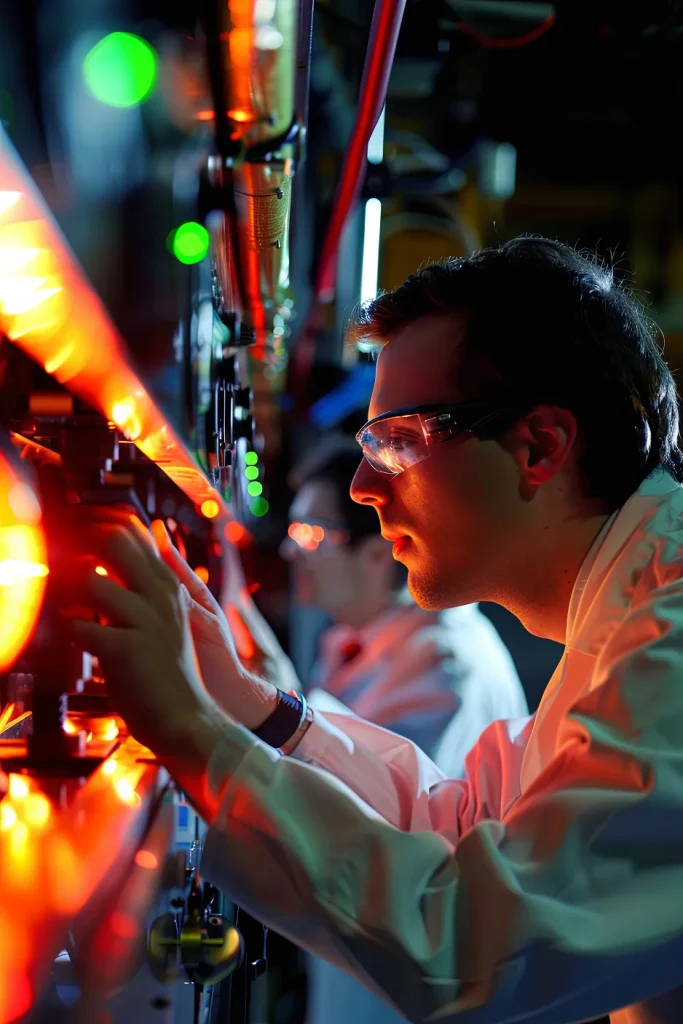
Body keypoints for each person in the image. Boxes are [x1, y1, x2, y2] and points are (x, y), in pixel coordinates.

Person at [72, 235, 683, 1024]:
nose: (362, 486)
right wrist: (251, 706)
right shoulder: (628, 620)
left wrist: (192, 733)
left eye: (398, 442)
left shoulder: (670, 642)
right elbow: (464, 824)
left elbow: (474, 947)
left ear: (538, 446)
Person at [280, 441, 527, 1024]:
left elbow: (370, 821)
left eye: (310, 534)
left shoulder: (448, 666)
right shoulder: (363, 640)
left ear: (376, 552)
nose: (290, 552)